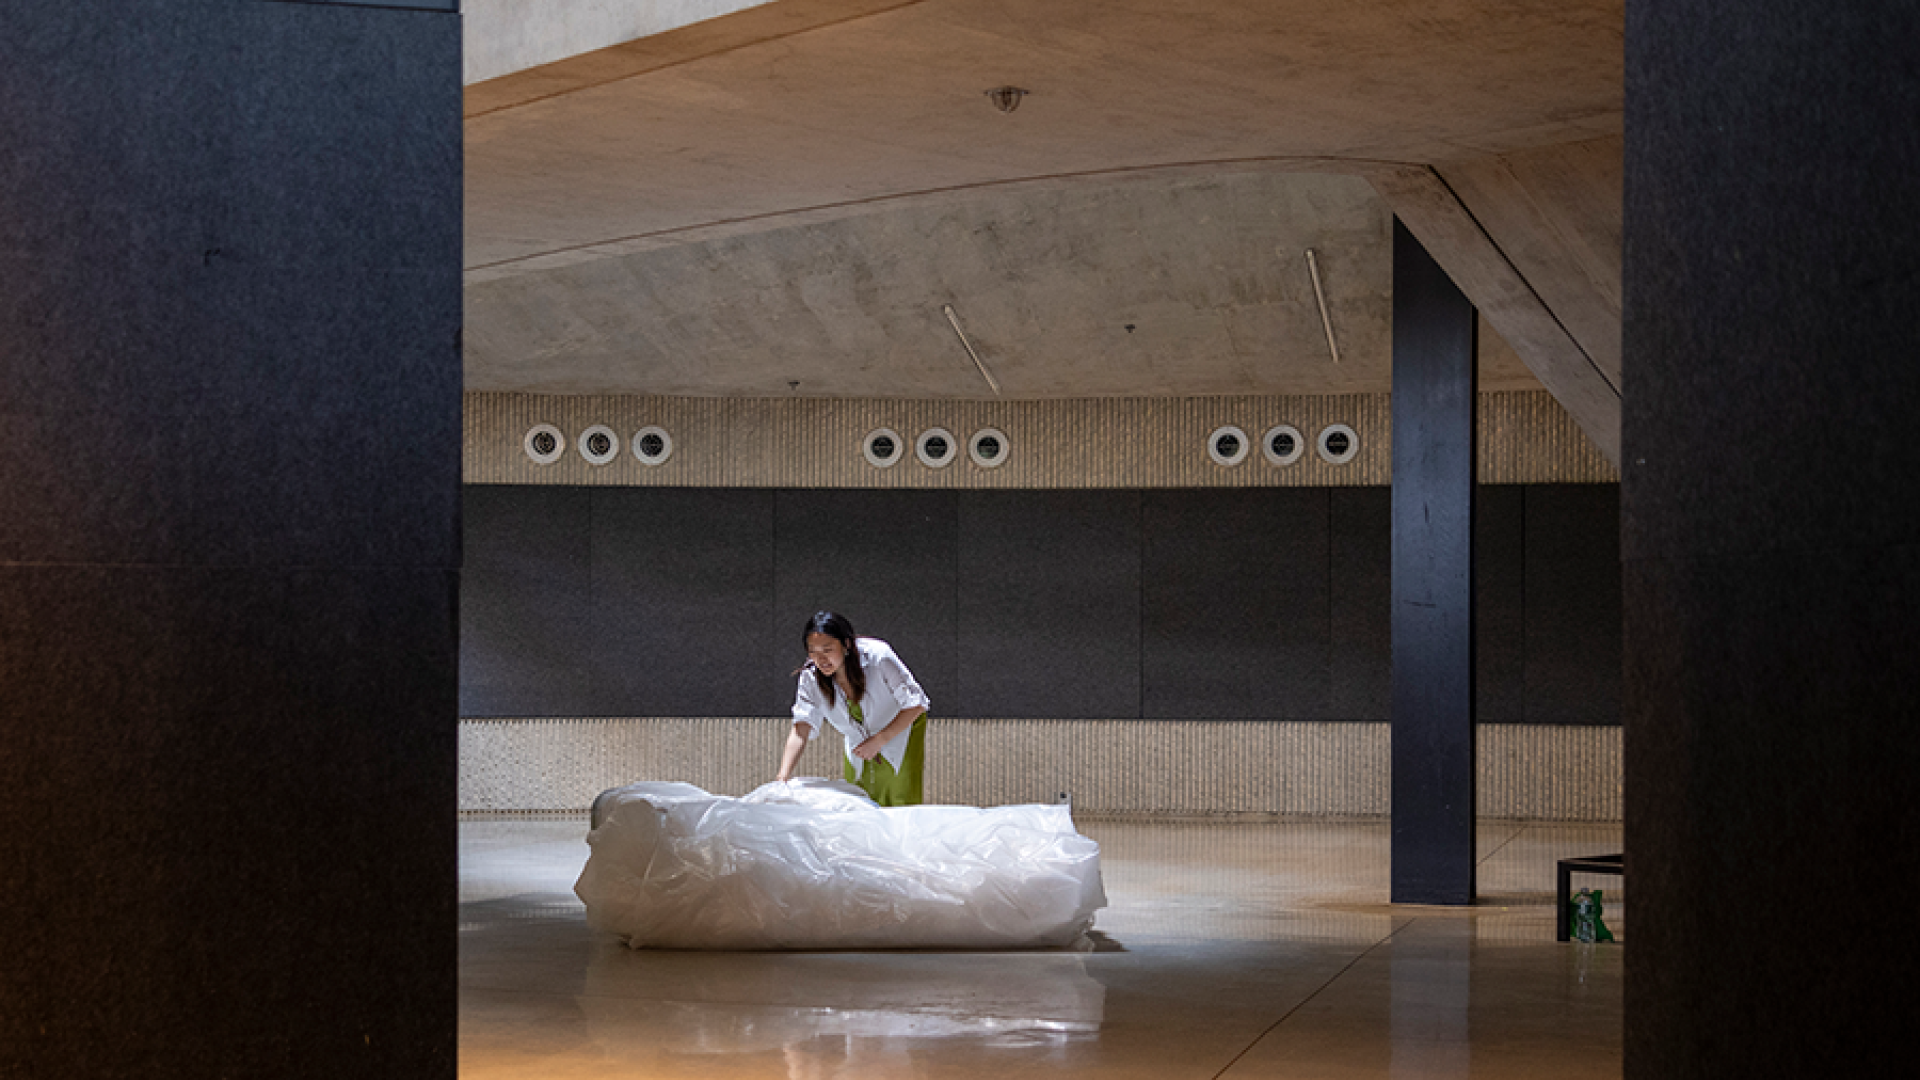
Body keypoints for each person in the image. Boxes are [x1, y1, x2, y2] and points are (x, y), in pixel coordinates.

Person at [776, 611, 929, 806]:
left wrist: (879, 740)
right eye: (813, 651)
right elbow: (801, 727)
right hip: (858, 738)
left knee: (898, 799)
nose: (821, 659)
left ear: (846, 644)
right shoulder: (811, 676)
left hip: (900, 727)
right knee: (859, 799)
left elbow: (916, 704)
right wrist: (783, 777)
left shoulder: (878, 656)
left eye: (828, 650)